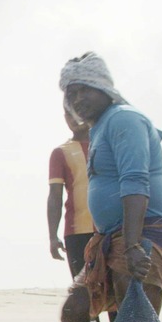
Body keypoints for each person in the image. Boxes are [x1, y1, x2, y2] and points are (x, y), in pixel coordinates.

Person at [58, 52, 162, 322]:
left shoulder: (124, 118)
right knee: (74, 313)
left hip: (143, 233)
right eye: (71, 93)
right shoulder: (99, 127)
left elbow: (135, 180)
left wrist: (134, 246)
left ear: (103, 86)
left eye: (84, 88)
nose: (78, 99)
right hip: (111, 239)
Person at [48, 109, 94, 279]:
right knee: (83, 294)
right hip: (77, 232)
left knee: (116, 296)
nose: (73, 118)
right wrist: (53, 236)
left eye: (77, 112)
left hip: (110, 230)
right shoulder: (60, 153)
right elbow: (54, 196)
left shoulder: (107, 146)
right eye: (68, 114)